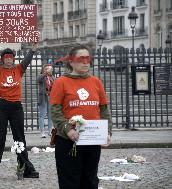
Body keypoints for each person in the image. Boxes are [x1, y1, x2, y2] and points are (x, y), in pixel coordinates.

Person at [50, 45, 112, 189]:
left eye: (88, 58)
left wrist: (107, 132)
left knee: (90, 180)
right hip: (68, 140)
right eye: (81, 59)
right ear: (71, 61)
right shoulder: (60, 82)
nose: (86, 62)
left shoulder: (96, 82)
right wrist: (67, 129)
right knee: (70, 181)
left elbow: (104, 109)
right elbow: (55, 110)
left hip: (93, 139)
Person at [0, 39, 39, 181]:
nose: (8, 60)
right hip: (1, 106)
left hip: (16, 107)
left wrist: (32, 49)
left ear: (13, 59)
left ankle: (26, 169)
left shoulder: (18, 69)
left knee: (19, 139)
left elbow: (26, 61)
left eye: (11, 58)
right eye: (6, 58)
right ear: (2, 60)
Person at [37, 63, 55, 138]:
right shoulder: (41, 76)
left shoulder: (52, 77)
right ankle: (42, 132)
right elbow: (38, 79)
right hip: (43, 98)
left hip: (50, 97)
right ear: (44, 70)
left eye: (49, 69)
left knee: (50, 116)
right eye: (46, 68)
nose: (48, 70)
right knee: (42, 115)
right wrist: (45, 73)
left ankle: (50, 130)